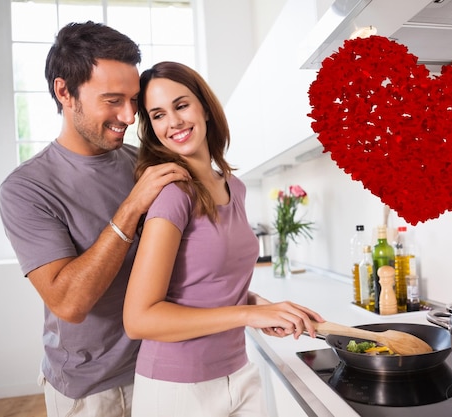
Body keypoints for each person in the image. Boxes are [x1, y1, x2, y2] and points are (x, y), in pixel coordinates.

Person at [0, 22, 189, 417]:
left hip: (164, 367)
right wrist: (131, 207)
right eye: (113, 100)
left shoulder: (144, 163)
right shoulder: (27, 188)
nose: (129, 114)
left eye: (134, 100)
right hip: (91, 390)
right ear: (64, 92)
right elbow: (69, 303)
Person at [122, 61, 324, 417]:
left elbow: (206, 285)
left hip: (238, 372)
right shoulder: (173, 194)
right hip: (177, 389)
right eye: (158, 115)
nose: (173, 122)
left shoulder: (235, 186)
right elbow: (139, 319)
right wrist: (246, 314)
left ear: (204, 107)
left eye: (181, 105)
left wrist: (261, 306)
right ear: (151, 129)